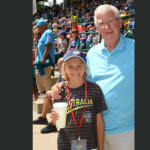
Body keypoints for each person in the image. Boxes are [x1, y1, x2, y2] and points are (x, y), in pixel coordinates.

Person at [50, 4, 134, 150]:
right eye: (101, 23)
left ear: (120, 23)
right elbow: (79, 79)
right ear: (96, 28)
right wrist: (58, 85)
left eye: (111, 21)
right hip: (92, 131)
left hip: (125, 132)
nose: (107, 27)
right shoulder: (93, 53)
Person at [51, 50, 107, 150]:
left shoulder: (94, 89)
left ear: (84, 68)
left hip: (90, 145)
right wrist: (54, 119)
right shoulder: (59, 92)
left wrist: (101, 148)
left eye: (79, 66)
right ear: (65, 69)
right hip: (65, 145)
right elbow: (56, 124)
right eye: (70, 66)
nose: (75, 70)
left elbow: (99, 121)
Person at [34, 18, 55, 95]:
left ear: (42, 26)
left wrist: (43, 58)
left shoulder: (48, 32)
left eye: (38, 26)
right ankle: (43, 97)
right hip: (40, 63)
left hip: (45, 62)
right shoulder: (42, 35)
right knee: (39, 79)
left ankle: (50, 99)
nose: (37, 28)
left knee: (46, 81)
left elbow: (48, 44)